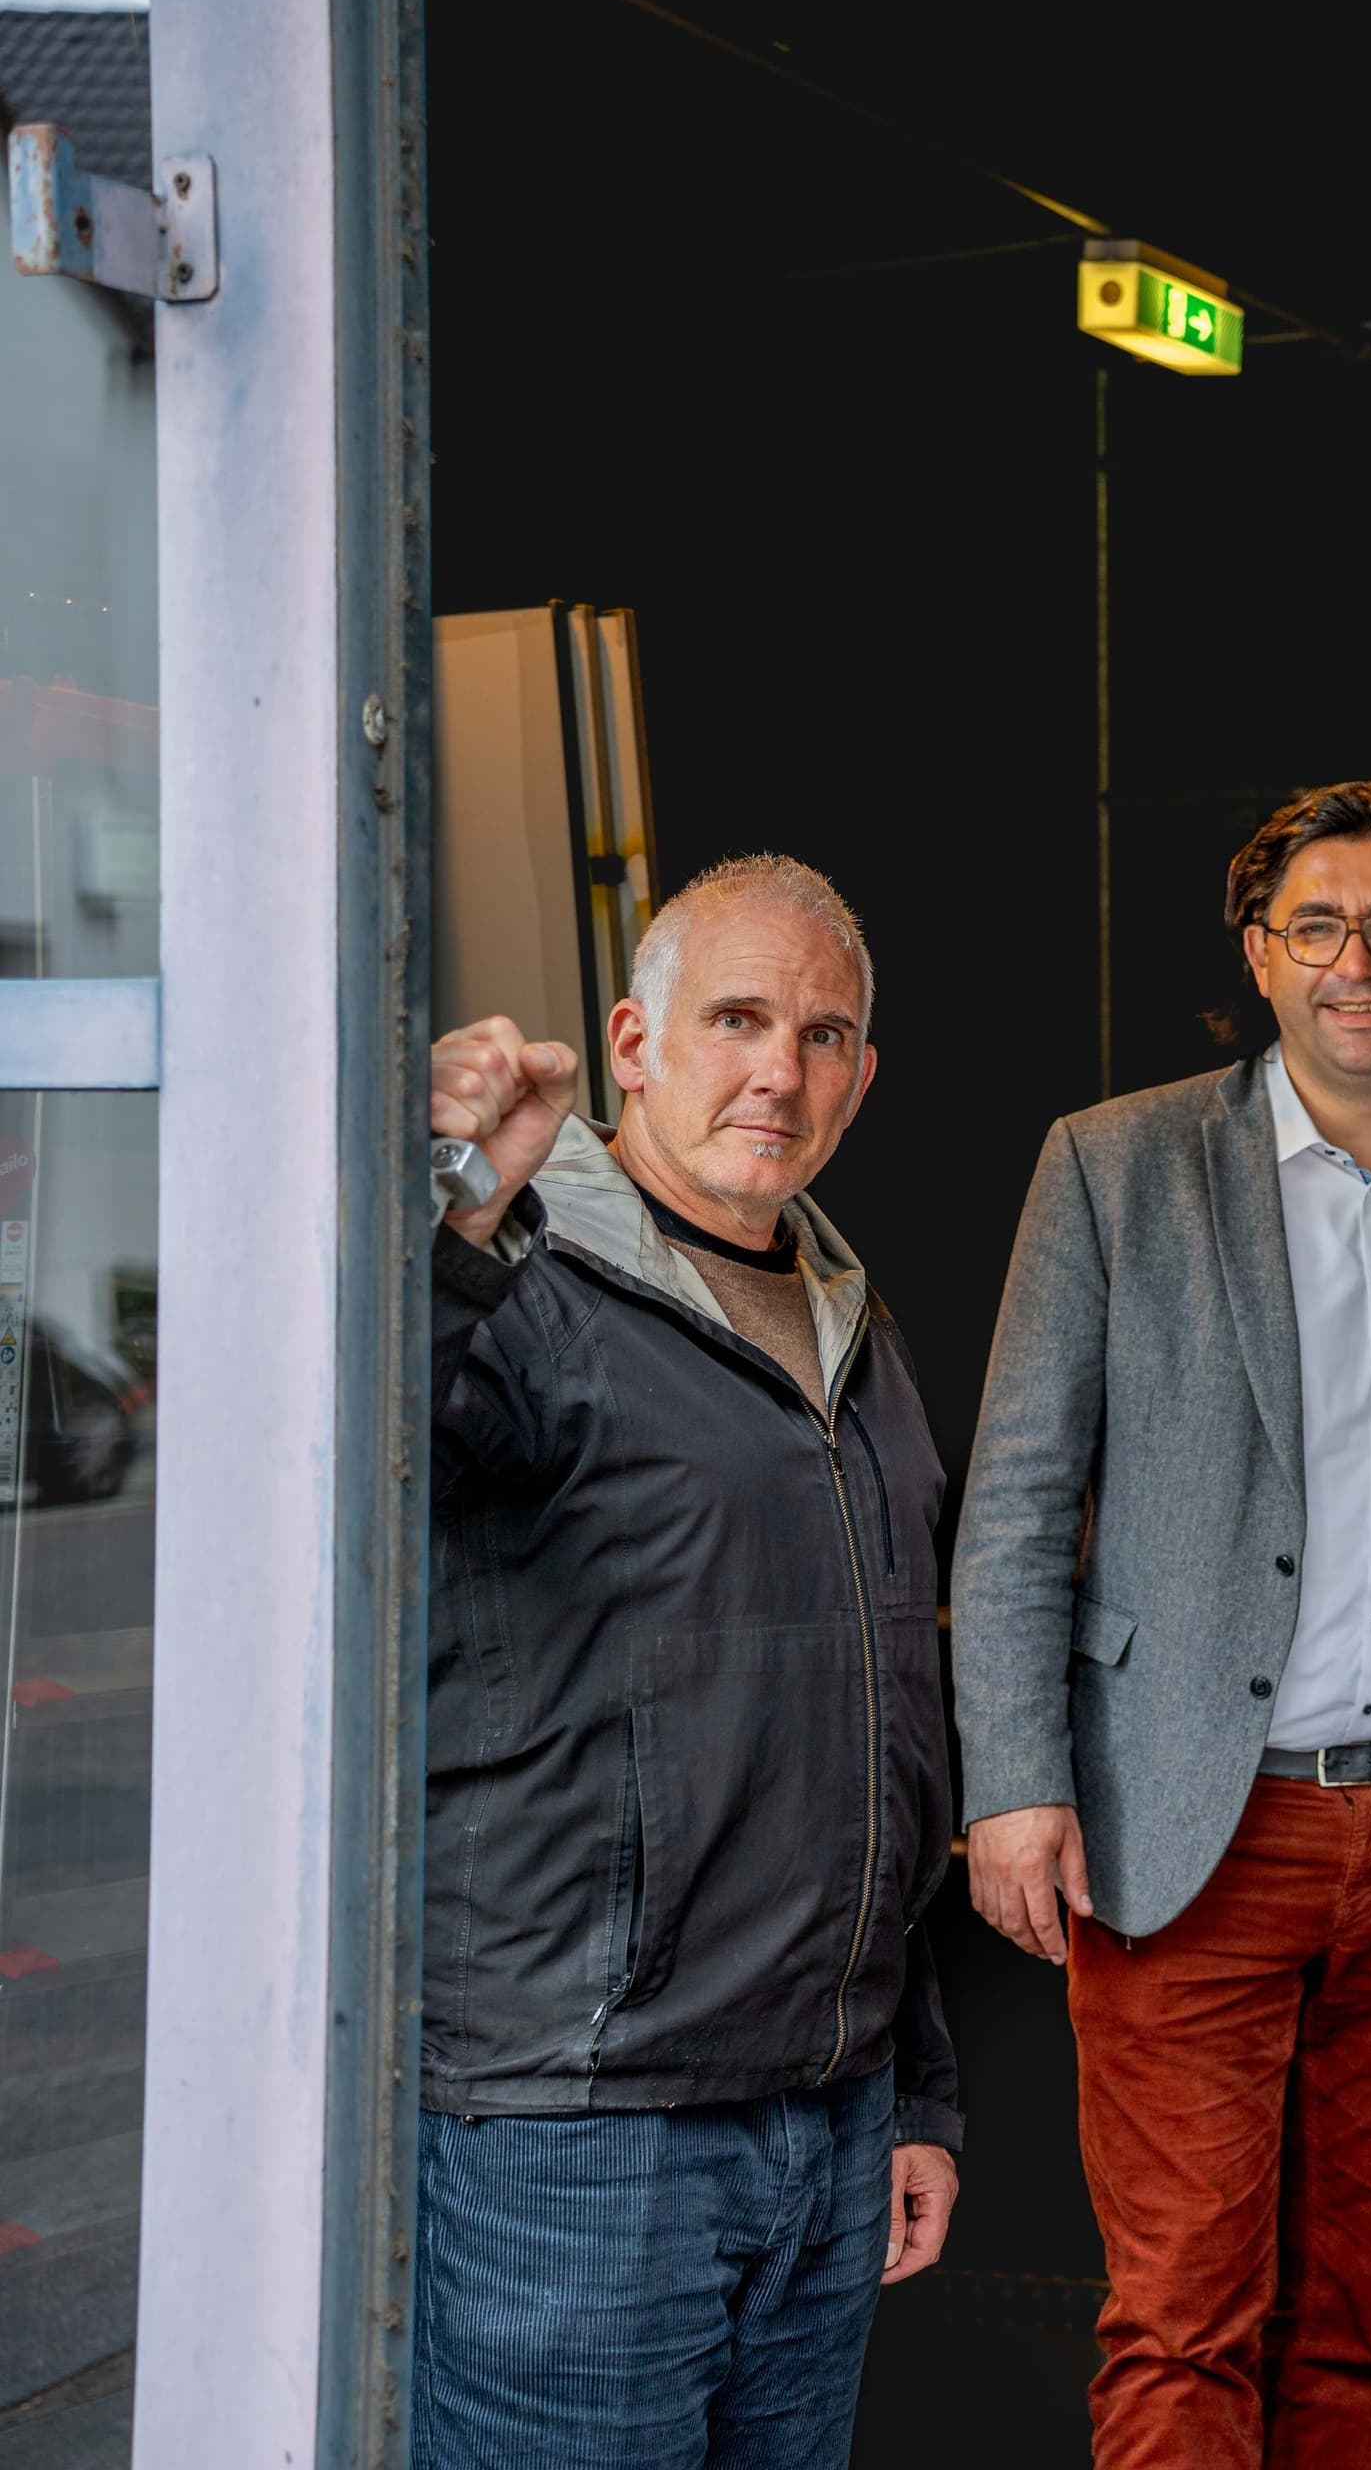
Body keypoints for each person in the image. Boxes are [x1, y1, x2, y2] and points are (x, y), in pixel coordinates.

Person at [952, 780, 1371, 2469]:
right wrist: (1013, 1779)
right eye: (1317, 927)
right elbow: (1017, 1493)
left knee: (1362, 2321)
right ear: (1259, 955)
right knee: (1183, 2316)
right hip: (1193, 1815)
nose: (1355, 963)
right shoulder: (1116, 1165)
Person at [414, 855, 962, 2470]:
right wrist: (447, 1209)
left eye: (822, 1035)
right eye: (736, 1020)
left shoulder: (853, 1323)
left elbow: (871, 1733)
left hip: (829, 2120)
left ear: (862, 1076)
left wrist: (913, 2086)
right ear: (634, 1043)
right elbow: (335, 1451)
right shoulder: (518, 1286)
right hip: (581, 2136)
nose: (778, 1071)